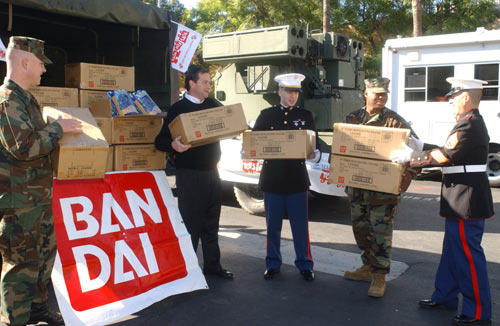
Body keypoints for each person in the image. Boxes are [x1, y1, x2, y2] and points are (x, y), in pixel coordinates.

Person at [391, 78, 494, 326]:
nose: (450, 102)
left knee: (468, 256)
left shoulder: (469, 125)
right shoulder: (466, 123)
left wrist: (412, 156)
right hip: (459, 197)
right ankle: (445, 296)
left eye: (454, 97)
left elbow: (445, 155)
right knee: (452, 252)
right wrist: (420, 146)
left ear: (466, 97)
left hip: (466, 200)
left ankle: (478, 312)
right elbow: (448, 150)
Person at [0, 36, 82, 326]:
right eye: (39, 63)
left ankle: (36, 310)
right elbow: (24, 148)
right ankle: (14, 320)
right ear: (24, 62)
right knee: (21, 265)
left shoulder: (26, 100)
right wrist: (58, 129)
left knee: (43, 258)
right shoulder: (9, 100)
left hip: (36, 197)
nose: (43, 70)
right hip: (18, 202)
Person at [155, 66, 233, 279]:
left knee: (211, 222)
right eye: (205, 82)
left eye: (209, 82)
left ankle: (212, 266)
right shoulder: (178, 109)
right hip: (189, 175)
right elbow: (159, 141)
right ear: (192, 83)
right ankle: (187, 271)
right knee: (191, 224)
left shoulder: (213, 105)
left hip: (211, 173)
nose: (209, 86)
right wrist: (174, 145)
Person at [342, 77, 417, 298]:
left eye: (384, 94)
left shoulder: (396, 122)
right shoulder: (353, 118)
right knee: (361, 230)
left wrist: (409, 175)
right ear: (366, 93)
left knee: (380, 234)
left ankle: (379, 275)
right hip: (357, 188)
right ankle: (367, 266)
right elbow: (343, 148)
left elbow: (416, 150)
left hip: (383, 192)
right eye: (377, 93)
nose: (381, 97)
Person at [253, 73, 320, 281]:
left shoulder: (306, 115)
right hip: (272, 179)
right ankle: (272, 263)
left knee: (300, 226)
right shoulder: (266, 115)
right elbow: (254, 143)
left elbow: (314, 145)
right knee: (272, 227)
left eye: (296, 92)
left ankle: (305, 264)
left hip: (296, 179)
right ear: (280, 91)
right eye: (289, 91)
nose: (292, 96)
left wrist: (314, 154)